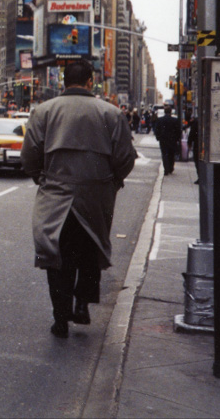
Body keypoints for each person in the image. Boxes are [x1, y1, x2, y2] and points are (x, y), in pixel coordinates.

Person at [22, 60, 137, 339]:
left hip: (55, 196)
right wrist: (112, 183)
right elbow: (125, 158)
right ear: (90, 82)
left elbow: (29, 157)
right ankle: (82, 305)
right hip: (95, 197)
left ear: (63, 81)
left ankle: (60, 318)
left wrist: (43, 179)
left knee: (55, 256)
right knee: (89, 252)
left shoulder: (43, 111)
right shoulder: (111, 113)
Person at [153, 106, 182, 175]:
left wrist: (158, 137)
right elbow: (179, 131)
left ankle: (166, 168)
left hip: (163, 140)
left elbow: (156, 130)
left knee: (164, 154)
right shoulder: (175, 120)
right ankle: (170, 167)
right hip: (172, 140)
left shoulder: (160, 120)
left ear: (164, 112)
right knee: (171, 154)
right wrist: (177, 139)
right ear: (171, 112)